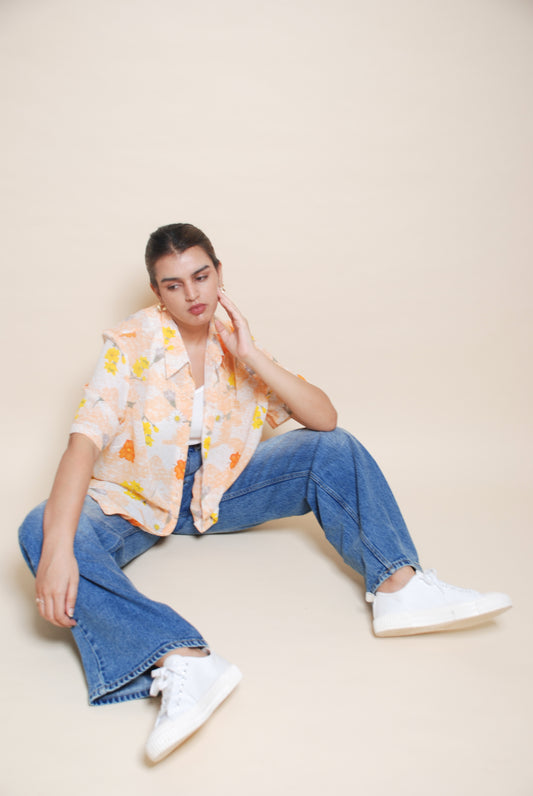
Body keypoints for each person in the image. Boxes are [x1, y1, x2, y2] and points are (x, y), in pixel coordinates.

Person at [19, 222, 512, 763]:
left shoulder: (234, 336)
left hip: (219, 487)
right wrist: (59, 548)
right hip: (136, 497)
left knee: (333, 448)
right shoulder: (132, 341)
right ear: (156, 291)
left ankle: (399, 588)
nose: (193, 294)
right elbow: (83, 447)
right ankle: (179, 658)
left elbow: (325, 419)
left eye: (201, 276)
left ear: (219, 273)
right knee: (41, 530)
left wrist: (250, 354)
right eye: (174, 285)